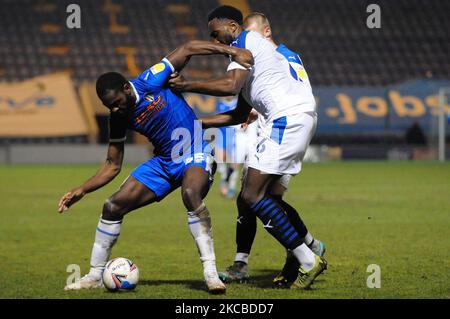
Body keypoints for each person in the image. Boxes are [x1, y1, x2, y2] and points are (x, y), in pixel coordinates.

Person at [58, 40, 253, 294]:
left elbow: (189, 47)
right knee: (112, 206)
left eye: (117, 102)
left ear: (127, 89)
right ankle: (95, 275)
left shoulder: (151, 79)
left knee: (191, 194)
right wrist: (81, 190)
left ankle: (210, 273)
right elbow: (112, 165)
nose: (115, 109)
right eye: (110, 107)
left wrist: (232, 51)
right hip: (163, 163)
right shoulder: (117, 118)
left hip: (195, 152)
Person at [168, 5, 327, 289]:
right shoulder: (248, 62)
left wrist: (187, 84)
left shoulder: (245, 43)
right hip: (296, 119)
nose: (216, 41)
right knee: (266, 198)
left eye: (216, 34)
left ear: (232, 26)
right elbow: (239, 114)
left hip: (284, 121)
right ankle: (308, 249)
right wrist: (197, 124)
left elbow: (229, 86)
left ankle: (307, 259)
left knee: (251, 196)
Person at [218, 12, 326, 288]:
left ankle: (304, 253)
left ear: (265, 33)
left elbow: (278, 92)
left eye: (250, 36)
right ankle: (306, 248)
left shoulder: (274, 56)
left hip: (282, 127)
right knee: (258, 199)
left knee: (253, 196)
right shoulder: (288, 56)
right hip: (285, 125)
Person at [215, 96, 257, 198]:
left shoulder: (257, 103)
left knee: (253, 165)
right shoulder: (242, 103)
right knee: (235, 164)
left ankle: (251, 189)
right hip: (239, 136)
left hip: (254, 137)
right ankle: (229, 184)